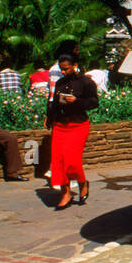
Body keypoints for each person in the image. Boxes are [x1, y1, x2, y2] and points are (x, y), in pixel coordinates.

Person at [46, 51, 99, 209]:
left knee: (72, 161)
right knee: (58, 161)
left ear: (75, 66)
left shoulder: (86, 82)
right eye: (61, 69)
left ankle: (82, 183)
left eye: (66, 69)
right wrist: (49, 117)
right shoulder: (60, 83)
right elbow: (54, 102)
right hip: (60, 125)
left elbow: (94, 102)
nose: (63, 72)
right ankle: (65, 193)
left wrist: (77, 101)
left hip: (78, 125)